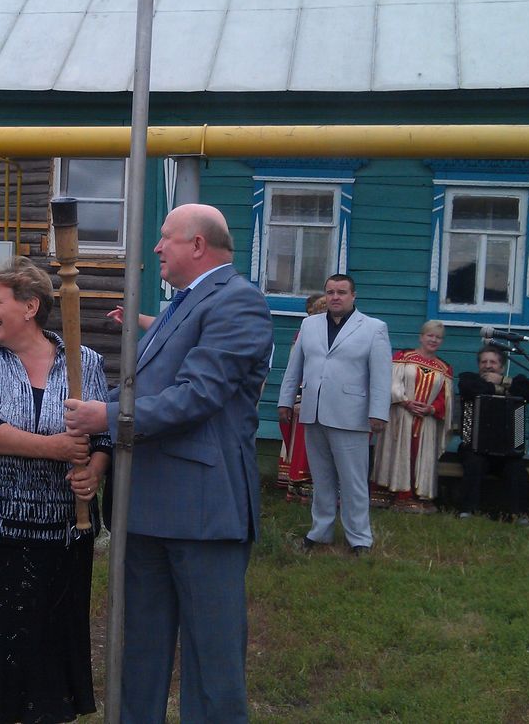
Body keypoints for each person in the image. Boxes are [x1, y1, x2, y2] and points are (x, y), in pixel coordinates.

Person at [64, 204, 273, 724]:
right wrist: (72, 414)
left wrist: (105, 417)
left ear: (197, 245)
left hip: (204, 511)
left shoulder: (238, 302)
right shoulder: (180, 306)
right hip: (147, 506)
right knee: (142, 650)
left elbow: (196, 396)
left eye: (164, 238)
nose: (156, 248)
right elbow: (143, 390)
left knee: (212, 658)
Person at [0, 257, 111, 724]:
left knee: (51, 639)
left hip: (64, 530)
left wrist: (94, 471)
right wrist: (58, 449)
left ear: (30, 306)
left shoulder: (85, 362)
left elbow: (101, 437)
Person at [277, 274, 391, 555]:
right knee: (321, 477)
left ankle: (359, 538)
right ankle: (320, 532)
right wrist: (285, 400)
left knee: (352, 481)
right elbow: (295, 367)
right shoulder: (309, 324)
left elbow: (380, 375)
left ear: (353, 296)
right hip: (313, 412)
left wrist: (378, 413)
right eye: (330, 292)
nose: (335, 297)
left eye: (341, 292)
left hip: (351, 414)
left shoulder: (373, 328)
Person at [371, 321, 454, 513]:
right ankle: (388, 493)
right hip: (401, 415)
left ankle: (414, 496)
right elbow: (392, 382)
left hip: (427, 422)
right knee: (395, 451)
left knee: (419, 454)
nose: (433, 340)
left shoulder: (444, 368)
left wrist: (432, 409)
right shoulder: (404, 357)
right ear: (421, 336)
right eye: (430, 335)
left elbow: (445, 398)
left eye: (438, 337)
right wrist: (405, 401)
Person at [457, 345, 529, 521]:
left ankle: (520, 514)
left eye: (493, 362)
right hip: (475, 447)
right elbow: (469, 388)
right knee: (474, 464)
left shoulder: (516, 382)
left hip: (507, 451)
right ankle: (467, 511)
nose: (488, 366)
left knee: (517, 470)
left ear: (501, 367)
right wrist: (498, 388)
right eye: (484, 362)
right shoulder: (469, 379)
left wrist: (503, 382)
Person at [277, 292, 326, 502]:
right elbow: (295, 369)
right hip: (306, 398)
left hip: (329, 401)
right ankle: (300, 487)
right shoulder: (304, 335)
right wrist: (295, 398)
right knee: (304, 445)